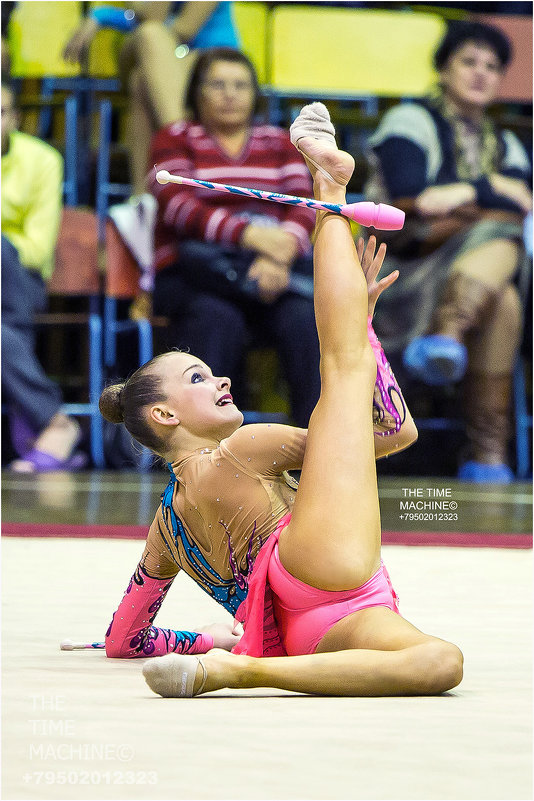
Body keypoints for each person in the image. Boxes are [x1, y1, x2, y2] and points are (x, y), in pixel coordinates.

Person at [100, 103, 463, 699]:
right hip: (321, 567)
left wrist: (205, 642)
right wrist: (363, 329)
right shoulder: (246, 446)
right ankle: (329, 184)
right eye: (196, 379)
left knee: (440, 662)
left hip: (308, 628)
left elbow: (124, 640)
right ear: (163, 416)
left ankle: (243, 671)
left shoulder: (165, 528)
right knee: (345, 365)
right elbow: (397, 435)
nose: (221, 382)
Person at [364, 20, 532, 483]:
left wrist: (467, 200)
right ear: (442, 70)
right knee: (503, 235)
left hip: (475, 279)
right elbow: (409, 199)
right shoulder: (412, 120)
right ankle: (487, 454)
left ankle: (450, 339)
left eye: (492, 66)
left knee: (506, 293)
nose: (481, 74)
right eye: (468, 62)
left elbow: (523, 207)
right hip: (402, 273)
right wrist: (489, 189)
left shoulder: (507, 143)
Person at [149, 47, 322, 427]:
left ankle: (313, 445)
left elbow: (304, 203)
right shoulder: (175, 137)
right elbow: (175, 204)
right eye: (217, 84)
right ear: (197, 92)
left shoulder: (278, 142)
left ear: (254, 94)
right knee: (216, 318)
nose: (230, 94)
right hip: (195, 274)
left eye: (240, 85)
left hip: (273, 273)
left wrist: (279, 255)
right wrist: (250, 236)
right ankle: (208, 444)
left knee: (305, 318)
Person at [63, 2, 239, 198]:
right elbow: (149, 18)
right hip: (161, 54)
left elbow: (183, 31)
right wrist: (103, 15)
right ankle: (181, 157)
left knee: (140, 79)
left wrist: (105, 16)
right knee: (149, 38)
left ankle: (147, 194)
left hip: (213, 60)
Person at [1, 80, 86, 472]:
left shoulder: (42, 160)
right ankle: (52, 421)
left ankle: (42, 419)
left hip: (20, 278)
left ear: (15, 118)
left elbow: (36, 248)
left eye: (1, 112)